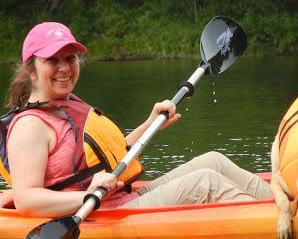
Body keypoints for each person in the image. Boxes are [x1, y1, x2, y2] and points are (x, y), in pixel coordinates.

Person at [1, 22, 272, 217]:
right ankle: (275, 224)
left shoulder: (66, 105)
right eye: (52, 60)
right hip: (101, 214)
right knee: (205, 182)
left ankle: (287, 205)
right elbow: (27, 199)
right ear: (31, 71)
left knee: (212, 161)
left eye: (70, 58)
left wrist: (150, 122)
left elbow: (107, 158)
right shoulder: (30, 126)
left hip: (120, 198)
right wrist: (85, 196)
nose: (64, 68)